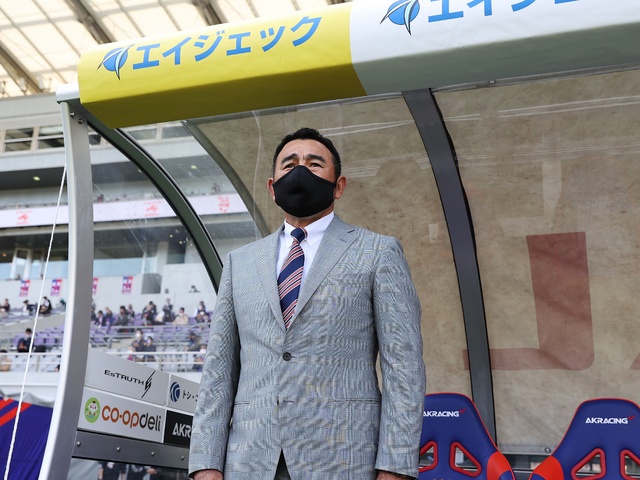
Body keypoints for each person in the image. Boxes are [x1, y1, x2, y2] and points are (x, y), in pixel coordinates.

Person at [189, 128, 425, 480]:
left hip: (344, 460)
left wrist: (395, 467)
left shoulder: (379, 252)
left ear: (339, 186)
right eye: (289, 164)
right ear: (272, 188)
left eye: (314, 164)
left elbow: (403, 368)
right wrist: (205, 463)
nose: (300, 171)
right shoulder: (240, 262)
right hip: (251, 461)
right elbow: (218, 369)